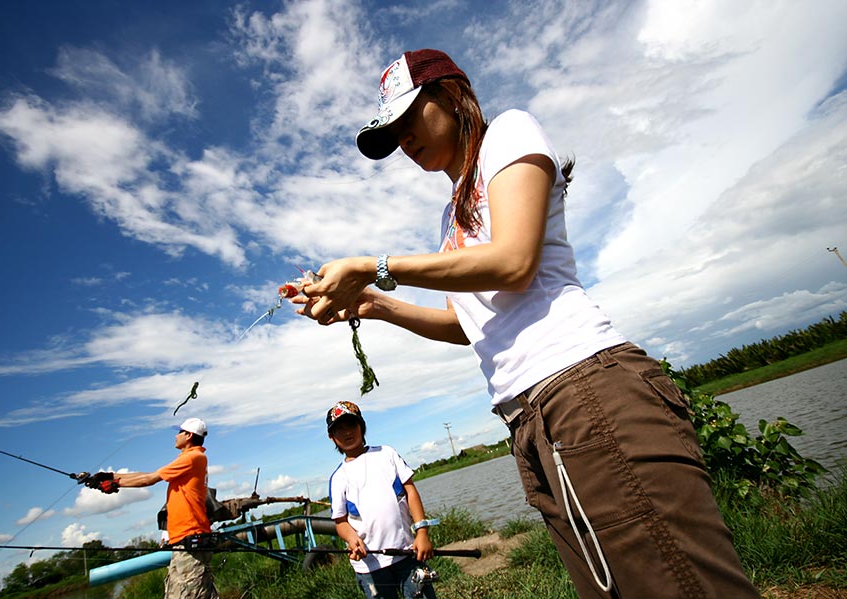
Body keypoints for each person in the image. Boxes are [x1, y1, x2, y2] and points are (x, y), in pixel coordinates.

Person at [296, 49, 760, 599]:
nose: (402, 141)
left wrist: (374, 266)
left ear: (450, 96)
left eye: (408, 119)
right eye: (391, 133)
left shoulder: (508, 134)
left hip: (584, 388)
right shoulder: (451, 215)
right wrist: (372, 304)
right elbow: (466, 324)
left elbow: (514, 260)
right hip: (528, 419)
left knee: (682, 585)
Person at [89, 417, 219, 599]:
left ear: (188, 435)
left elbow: (148, 480)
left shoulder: (192, 458)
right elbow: (150, 475)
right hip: (183, 540)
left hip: (190, 538)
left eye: (179, 432)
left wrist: (115, 483)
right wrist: (109, 475)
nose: (176, 436)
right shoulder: (190, 459)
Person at [326, 401, 438, 599]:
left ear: (362, 426)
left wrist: (422, 532)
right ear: (332, 437)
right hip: (369, 566)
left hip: (407, 553)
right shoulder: (338, 478)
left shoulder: (386, 453)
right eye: (339, 429)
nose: (347, 433)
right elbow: (341, 522)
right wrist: (352, 540)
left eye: (351, 425)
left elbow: (410, 491)